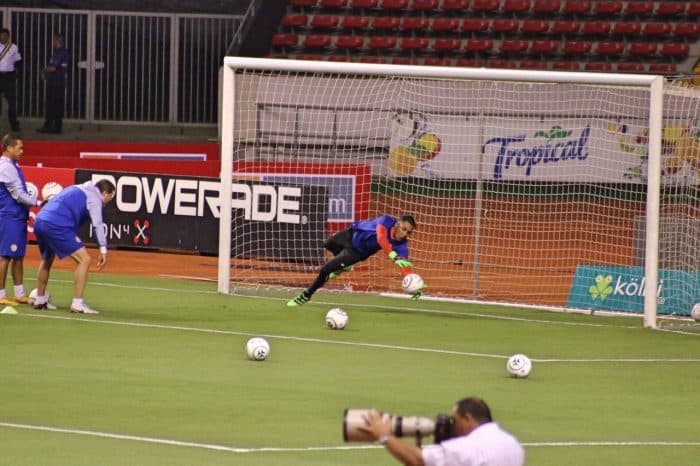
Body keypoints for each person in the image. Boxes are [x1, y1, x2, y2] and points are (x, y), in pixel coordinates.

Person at [287, 214, 421, 307]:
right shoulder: (385, 221)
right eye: (404, 229)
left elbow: (405, 266)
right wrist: (393, 255)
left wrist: (413, 283)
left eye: (409, 232)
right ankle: (344, 266)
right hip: (351, 233)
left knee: (326, 269)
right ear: (397, 224)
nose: (405, 234)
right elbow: (381, 238)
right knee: (328, 243)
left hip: (356, 252)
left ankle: (306, 295)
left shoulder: (401, 245)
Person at [360, 397, 525, 466]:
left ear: (467, 419)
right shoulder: (513, 444)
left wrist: (384, 435)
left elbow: (417, 459)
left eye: (455, 420)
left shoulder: (466, 448)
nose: (452, 425)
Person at [32, 179, 116, 314]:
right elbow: (97, 225)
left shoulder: (77, 188)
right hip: (56, 224)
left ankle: (40, 299)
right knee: (84, 259)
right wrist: (103, 249)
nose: (108, 202)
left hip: (40, 220)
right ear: (105, 193)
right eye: (110, 198)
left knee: (47, 259)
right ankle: (78, 304)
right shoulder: (95, 198)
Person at [0, 134, 42, 305]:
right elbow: (18, 195)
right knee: (5, 256)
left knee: (17, 256)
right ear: (9, 148)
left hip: (17, 217)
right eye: (19, 148)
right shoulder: (6, 167)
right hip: (10, 216)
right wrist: (39, 203)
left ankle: (19, 293)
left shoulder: (13, 165)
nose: (22, 151)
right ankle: (1, 295)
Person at [37, 34, 70, 134]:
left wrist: (43, 71)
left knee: (54, 106)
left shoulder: (61, 53)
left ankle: (54, 127)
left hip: (56, 83)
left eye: (54, 40)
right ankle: (51, 126)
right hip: (54, 82)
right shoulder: (58, 52)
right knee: (53, 105)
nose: (53, 42)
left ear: (59, 40)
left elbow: (53, 68)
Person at [0, 28, 22, 132]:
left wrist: (16, 74)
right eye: (1, 35)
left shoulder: (13, 47)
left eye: (5, 35)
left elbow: (18, 62)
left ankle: (14, 124)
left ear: (8, 36)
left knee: (12, 102)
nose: (3, 37)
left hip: (9, 77)